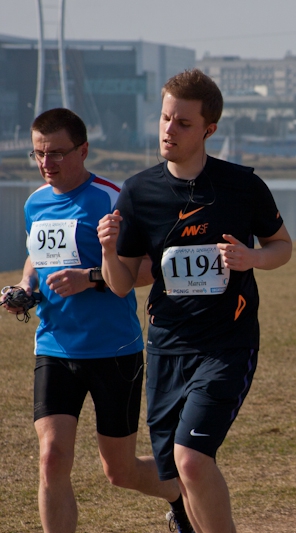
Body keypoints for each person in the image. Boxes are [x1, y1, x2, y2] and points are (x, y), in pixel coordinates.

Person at [98, 69, 292, 532]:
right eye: (165, 119)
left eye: (183, 123)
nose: (169, 130)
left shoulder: (242, 185)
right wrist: (108, 250)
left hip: (228, 344)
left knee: (190, 460)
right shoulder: (138, 191)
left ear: (209, 129)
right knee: (176, 472)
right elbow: (122, 284)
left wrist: (251, 258)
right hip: (167, 346)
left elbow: (282, 246)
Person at [1, 108, 192, 532]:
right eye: (38, 154)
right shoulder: (35, 203)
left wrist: (90, 278)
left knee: (119, 471)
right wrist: (26, 289)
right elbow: (37, 255)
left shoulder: (113, 199)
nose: (46, 163)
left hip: (114, 350)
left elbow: (147, 268)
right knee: (51, 458)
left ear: (83, 150)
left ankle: (177, 493)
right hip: (54, 345)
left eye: (56, 153)